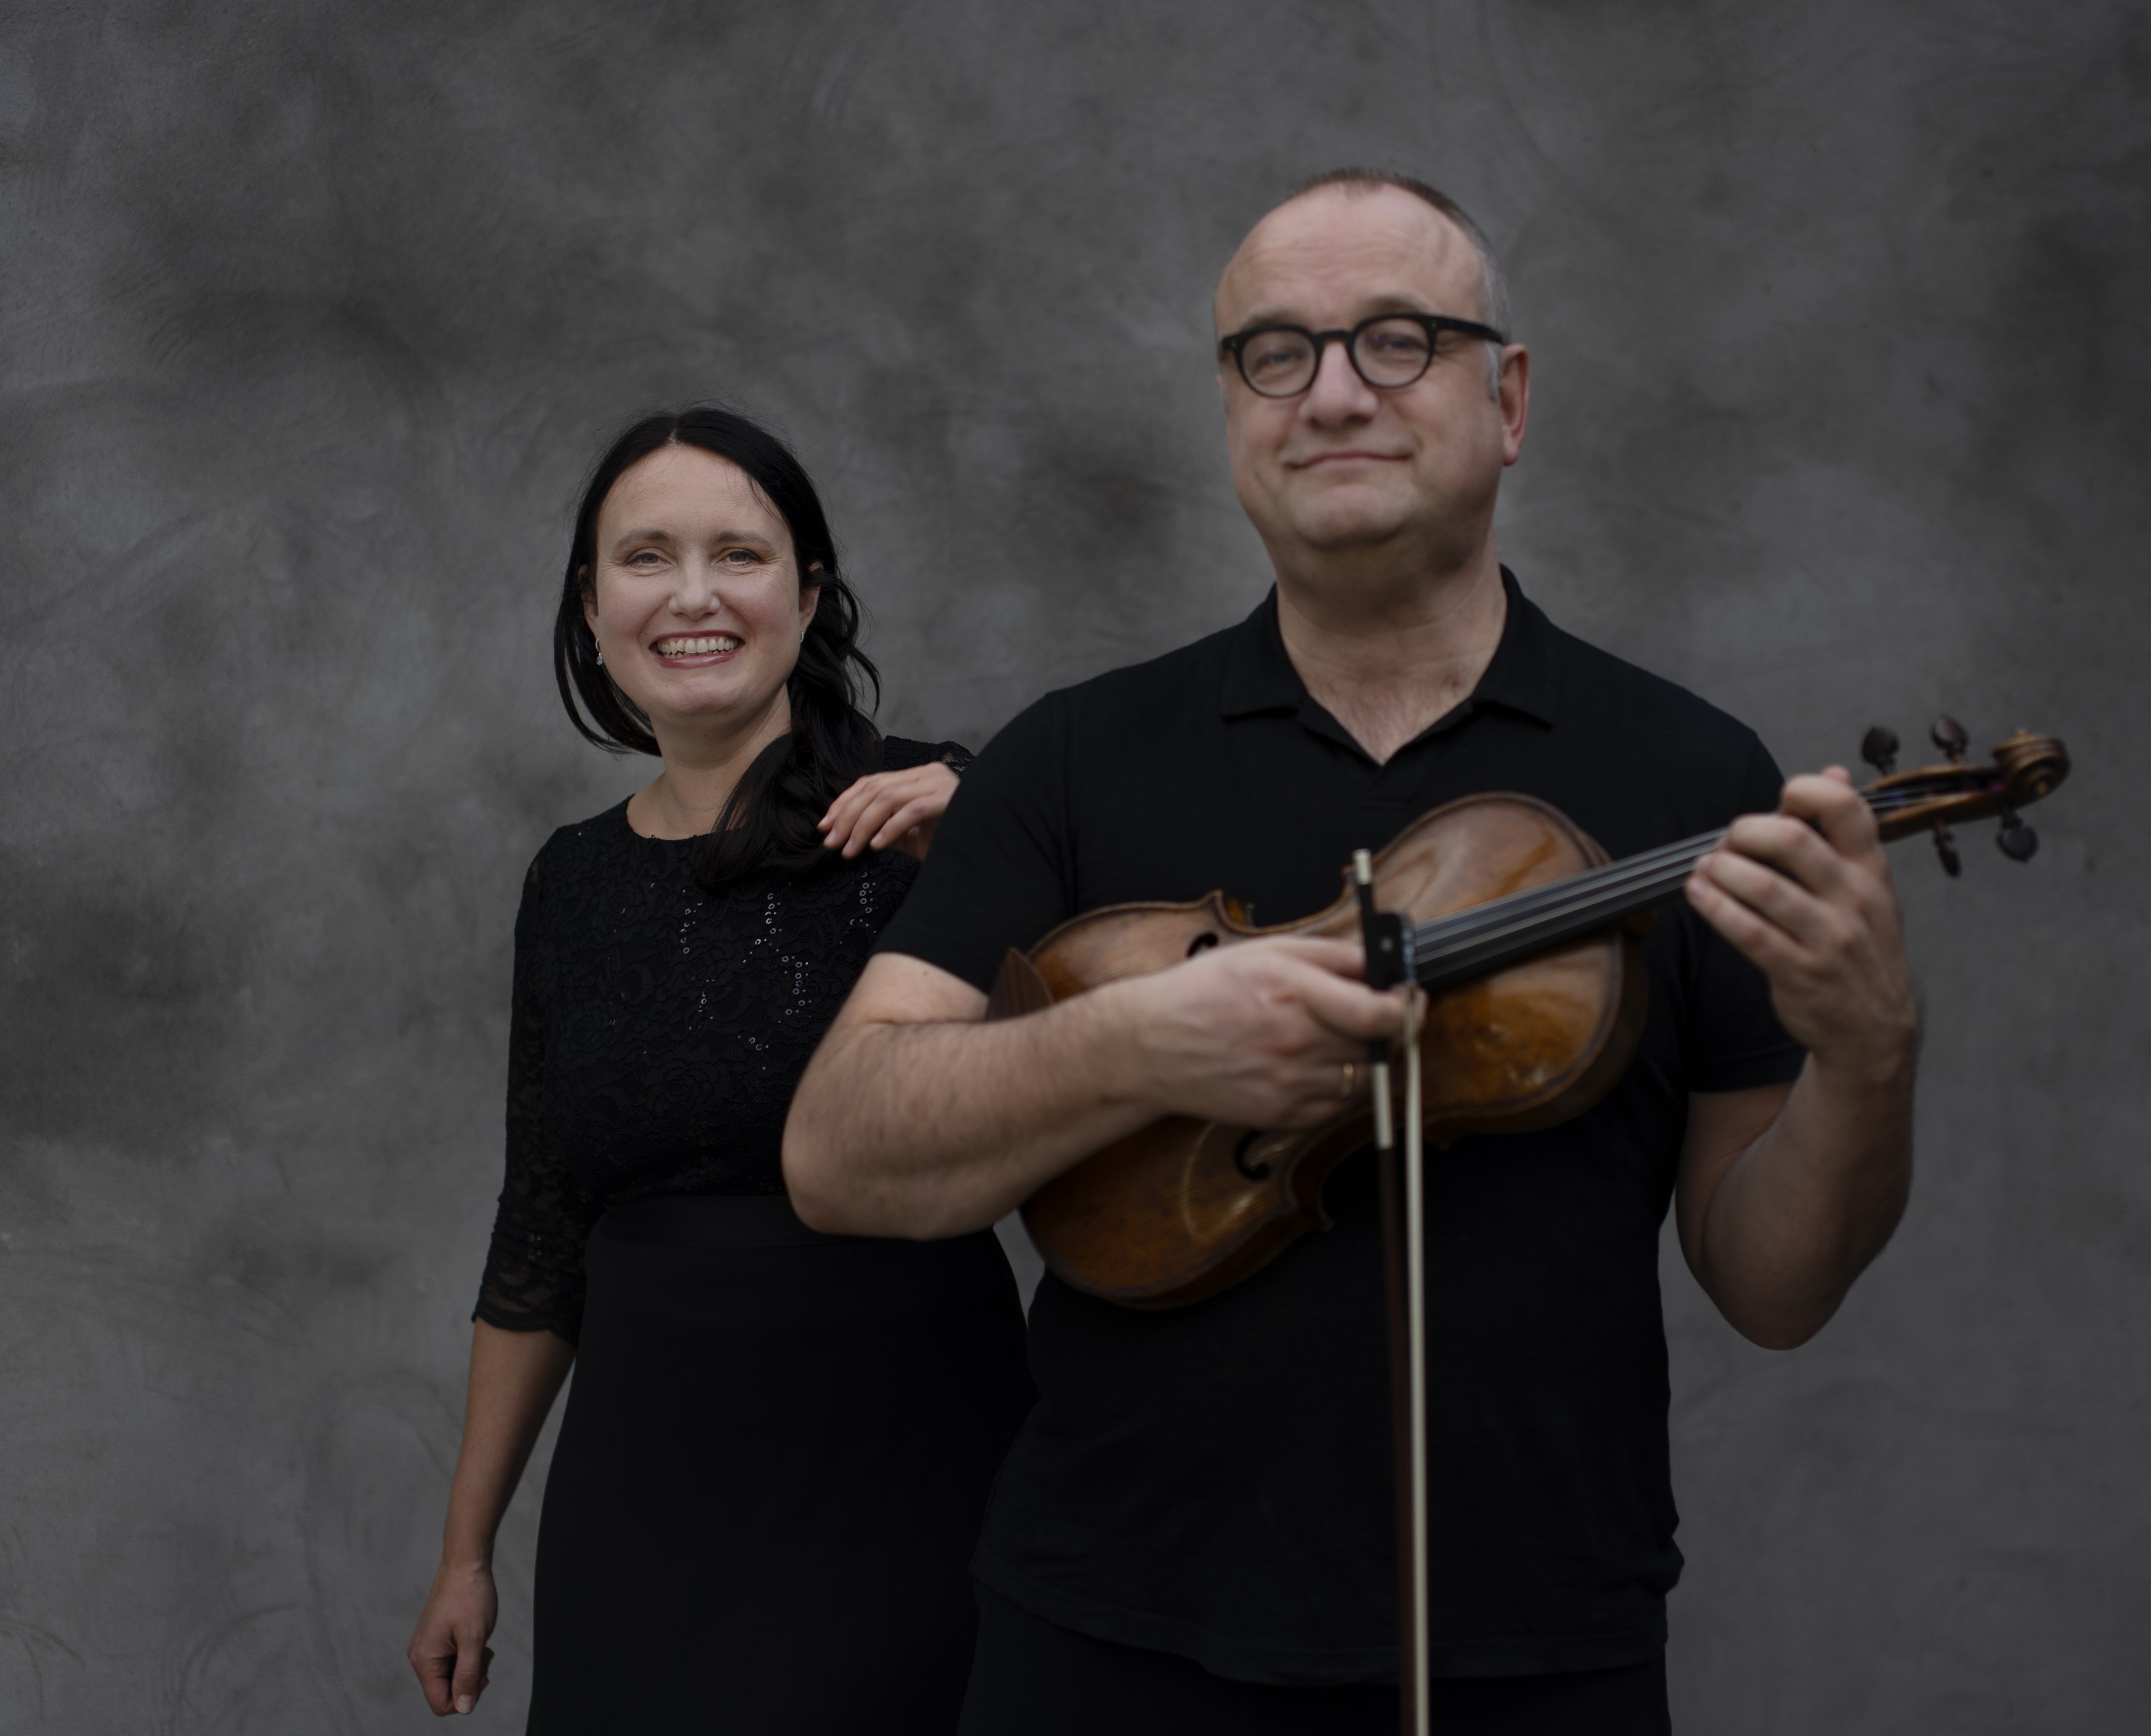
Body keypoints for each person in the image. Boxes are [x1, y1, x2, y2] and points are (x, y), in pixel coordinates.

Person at [783, 170, 1921, 1735]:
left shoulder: (1693, 774)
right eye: (1277, 351)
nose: (1331, 394)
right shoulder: (1069, 759)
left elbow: (1774, 1285)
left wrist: (1869, 1057)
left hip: (1540, 1654)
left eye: (1399, 339)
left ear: (1507, 399)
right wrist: (1134, 1040)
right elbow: (839, 1150)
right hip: (1106, 1643)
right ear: (1232, 412)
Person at [406, 406, 1034, 1730]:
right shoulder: (571, 881)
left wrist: (1004, 861)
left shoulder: (939, 810)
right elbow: (540, 1227)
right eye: (647, 557)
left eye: (739, 554)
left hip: (910, 1469)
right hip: (640, 1487)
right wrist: (467, 1550)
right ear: (592, 607)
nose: (693, 595)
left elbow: (1107, 1069)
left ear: (809, 596)